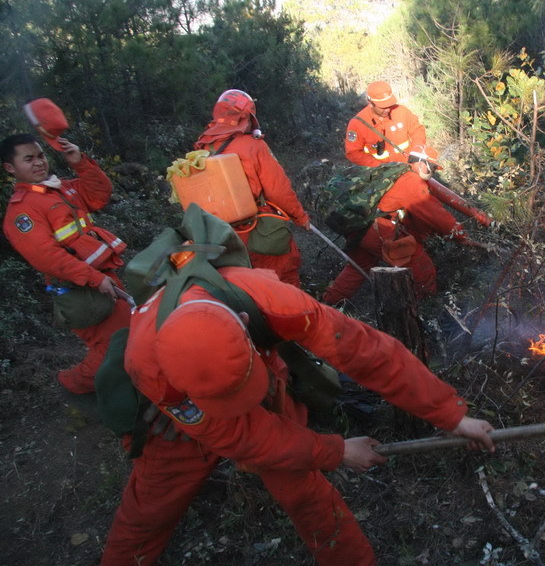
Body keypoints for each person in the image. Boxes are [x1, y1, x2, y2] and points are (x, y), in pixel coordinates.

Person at [99, 264, 495, 566]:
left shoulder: (275, 303)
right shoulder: (148, 364)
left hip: (264, 378)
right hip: (181, 424)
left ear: (244, 324)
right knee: (150, 508)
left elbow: (369, 353)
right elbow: (241, 436)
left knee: (304, 491)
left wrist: (450, 415)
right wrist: (335, 451)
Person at [1, 133, 131, 394]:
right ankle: (71, 386)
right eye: (29, 159)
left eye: (40, 156)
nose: (39, 163)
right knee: (114, 345)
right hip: (80, 289)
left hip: (103, 277)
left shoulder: (62, 188)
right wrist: (94, 279)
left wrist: (79, 162)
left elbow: (99, 195)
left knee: (128, 336)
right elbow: (47, 258)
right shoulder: (22, 211)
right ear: (10, 168)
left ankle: (131, 389)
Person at [322, 147, 481, 306]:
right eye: (430, 167)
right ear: (420, 163)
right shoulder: (411, 182)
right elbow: (437, 216)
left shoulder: (396, 172)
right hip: (381, 231)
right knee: (421, 270)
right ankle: (424, 310)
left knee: (357, 267)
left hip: (361, 229)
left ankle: (327, 304)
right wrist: (463, 237)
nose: (432, 171)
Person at [193, 89, 310, 287]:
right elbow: (279, 190)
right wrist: (301, 218)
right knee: (283, 280)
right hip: (256, 230)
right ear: (247, 116)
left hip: (218, 234)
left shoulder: (201, 149)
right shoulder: (254, 146)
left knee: (241, 287)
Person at [344, 81, 431, 167]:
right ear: (370, 103)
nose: (388, 110)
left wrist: (417, 151)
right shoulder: (357, 124)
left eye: (389, 105)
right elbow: (353, 153)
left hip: (408, 165)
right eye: (383, 107)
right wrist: (379, 167)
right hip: (380, 173)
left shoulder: (401, 111)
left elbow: (417, 130)